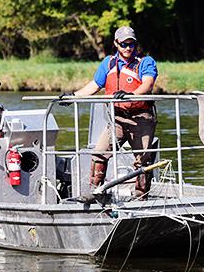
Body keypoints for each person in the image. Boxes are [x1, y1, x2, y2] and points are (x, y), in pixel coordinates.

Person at [62, 26, 158, 199]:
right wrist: (73, 96)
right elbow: (95, 85)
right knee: (99, 152)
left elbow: (147, 84)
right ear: (116, 44)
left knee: (142, 160)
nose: (127, 48)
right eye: (123, 44)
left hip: (141, 118)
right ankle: (95, 193)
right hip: (117, 119)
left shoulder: (145, 61)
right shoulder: (108, 63)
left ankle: (141, 197)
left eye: (131, 44)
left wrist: (131, 95)